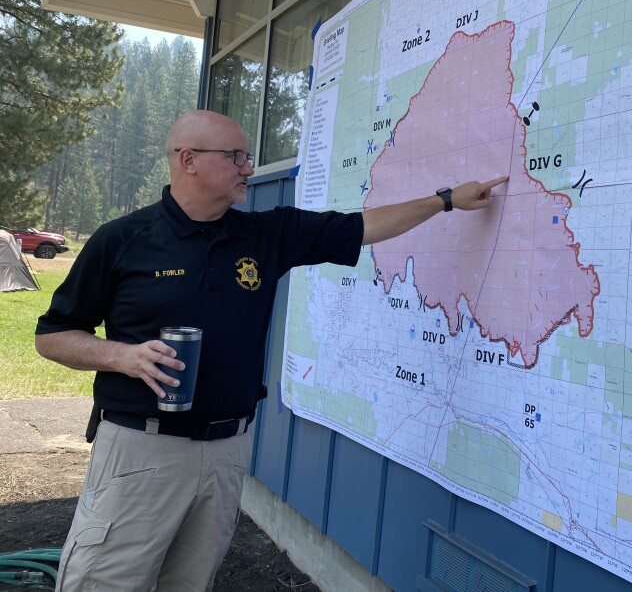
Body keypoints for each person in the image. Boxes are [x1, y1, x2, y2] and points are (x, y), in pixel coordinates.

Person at [35, 109, 508, 590]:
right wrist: (123, 357)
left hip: (226, 452)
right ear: (188, 160)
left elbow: (364, 226)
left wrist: (446, 201)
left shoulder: (264, 236)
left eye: (249, 156)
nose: (248, 167)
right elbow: (52, 335)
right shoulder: (123, 240)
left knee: (189, 583)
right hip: (141, 448)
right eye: (236, 156)